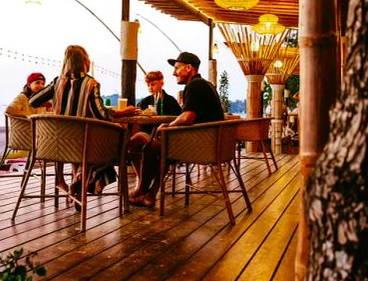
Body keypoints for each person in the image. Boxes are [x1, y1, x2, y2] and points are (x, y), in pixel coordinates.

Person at [29, 45, 139, 200]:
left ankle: (77, 179)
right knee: (106, 145)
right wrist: (122, 112)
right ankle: (80, 179)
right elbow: (101, 114)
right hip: (81, 145)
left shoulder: (57, 82)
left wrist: (53, 105)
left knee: (84, 142)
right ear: (85, 62)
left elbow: (33, 101)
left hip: (56, 145)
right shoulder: (91, 84)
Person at [128, 52, 224, 208]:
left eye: (177, 68)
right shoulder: (205, 84)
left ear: (188, 68)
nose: (174, 73)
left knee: (152, 146)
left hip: (202, 146)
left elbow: (187, 117)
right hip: (211, 143)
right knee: (164, 145)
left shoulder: (195, 85)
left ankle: (142, 190)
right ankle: (149, 195)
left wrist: (167, 126)